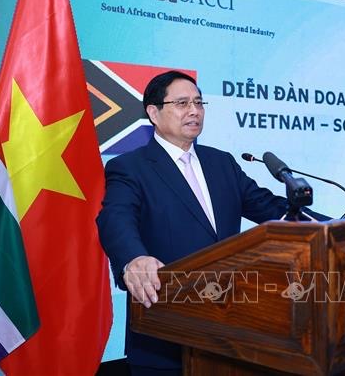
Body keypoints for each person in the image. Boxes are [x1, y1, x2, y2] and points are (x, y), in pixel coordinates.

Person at [96, 71, 325, 375]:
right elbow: (115, 218)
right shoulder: (130, 166)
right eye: (182, 103)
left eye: (198, 102)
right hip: (165, 337)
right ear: (153, 112)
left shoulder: (222, 162)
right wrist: (133, 258)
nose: (194, 111)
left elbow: (273, 209)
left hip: (229, 336)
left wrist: (337, 227)